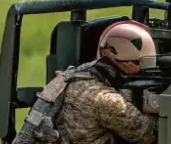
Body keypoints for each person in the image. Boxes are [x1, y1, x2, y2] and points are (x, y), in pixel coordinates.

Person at [12, 20, 160, 144]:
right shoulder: (106, 100)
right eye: (140, 62)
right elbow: (147, 133)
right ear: (126, 63)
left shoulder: (77, 74)